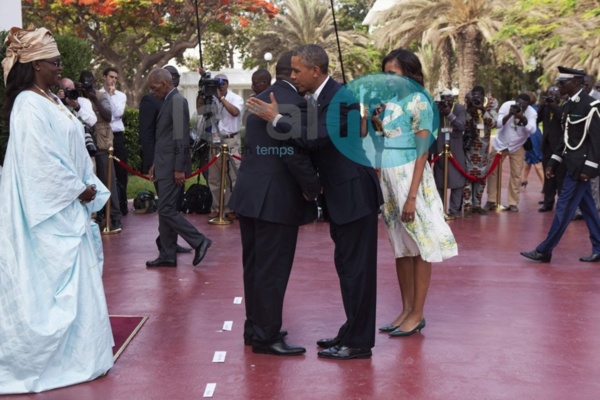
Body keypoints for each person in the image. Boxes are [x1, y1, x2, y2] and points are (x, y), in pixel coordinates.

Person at [0, 26, 114, 394]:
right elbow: (40, 161)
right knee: (49, 288)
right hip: (51, 213)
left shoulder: (47, 99)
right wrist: (78, 188)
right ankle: (54, 361)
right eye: (54, 62)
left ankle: (83, 356)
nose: (58, 68)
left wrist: (88, 185)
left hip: (70, 206)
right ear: (35, 66)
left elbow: (71, 149)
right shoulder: (27, 104)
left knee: (78, 286)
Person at [229, 52, 321, 356]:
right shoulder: (295, 104)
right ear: (292, 74)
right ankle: (267, 337)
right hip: (276, 199)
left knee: (254, 267)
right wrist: (314, 189)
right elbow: (296, 154)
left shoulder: (259, 99)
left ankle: (254, 328)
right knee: (273, 270)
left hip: (249, 195)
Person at [370, 48, 457, 339]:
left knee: (419, 247)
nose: (387, 78)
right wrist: (377, 123)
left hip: (412, 178)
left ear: (408, 72)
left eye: (391, 73)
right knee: (401, 247)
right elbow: (389, 138)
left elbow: (422, 152)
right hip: (391, 178)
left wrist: (411, 196)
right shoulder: (392, 102)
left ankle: (417, 313)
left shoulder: (420, 100)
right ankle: (405, 310)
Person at [521, 67, 600, 263]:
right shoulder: (568, 105)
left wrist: (589, 169)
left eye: (562, 83)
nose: (558, 86)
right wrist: (553, 162)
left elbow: (597, 141)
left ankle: (545, 250)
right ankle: (599, 246)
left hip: (580, 168)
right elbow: (565, 139)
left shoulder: (591, 105)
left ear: (575, 83)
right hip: (570, 164)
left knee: (563, 208)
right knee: (589, 208)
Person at [145, 68, 212, 268]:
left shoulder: (176, 101)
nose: (152, 92)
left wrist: (180, 169)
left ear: (166, 84)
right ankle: (167, 254)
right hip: (164, 165)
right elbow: (165, 137)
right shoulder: (167, 101)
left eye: (155, 88)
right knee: (167, 210)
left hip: (173, 167)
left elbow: (181, 137)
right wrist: (156, 164)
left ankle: (199, 241)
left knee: (165, 209)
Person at [79, 70, 123, 230]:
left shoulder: (100, 95)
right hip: (83, 146)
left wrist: (93, 99)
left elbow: (108, 115)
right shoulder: (76, 97)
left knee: (108, 182)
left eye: (90, 81)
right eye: (84, 82)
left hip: (102, 144)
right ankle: (97, 217)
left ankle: (116, 219)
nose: (87, 84)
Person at [484, 93, 537, 212]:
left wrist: (522, 117)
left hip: (517, 146)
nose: (520, 106)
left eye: (524, 105)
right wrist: (510, 114)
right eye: (519, 103)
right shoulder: (507, 105)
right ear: (515, 100)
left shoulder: (532, 112)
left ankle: (513, 202)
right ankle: (491, 200)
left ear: (528, 105)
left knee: (516, 175)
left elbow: (532, 130)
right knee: (492, 171)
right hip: (500, 144)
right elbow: (497, 124)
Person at [202, 71, 244, 219]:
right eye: (217, 83)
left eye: (223, 83)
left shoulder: (235, 98)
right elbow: (199, 108)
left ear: (227, 84)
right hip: (215, 140)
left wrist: (221, 98)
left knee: (233, 177)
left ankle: (230, 208)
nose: (221, 86)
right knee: (214, 176)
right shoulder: (210, 99)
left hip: (231, 140)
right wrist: (203, 88)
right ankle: (216, 207)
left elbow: (234, 112)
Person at [463, 85, 497, 217]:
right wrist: (471, 108)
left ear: (483, 96)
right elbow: (465, 123)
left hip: (483, 149)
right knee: (468, 177)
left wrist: (482, 109)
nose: (477, 97)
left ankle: (477, 205)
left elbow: (494, 123)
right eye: (474, 95)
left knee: (481, 178)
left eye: (479, 95)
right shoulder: (468, 104)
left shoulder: (490, 105)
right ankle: (468, 206)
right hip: (470, 147)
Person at [432, 89, 466, 219]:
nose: (446, 101)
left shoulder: (459, 109)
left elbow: (461, 125)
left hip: (456, 149)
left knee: (457, 180)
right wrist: (435, 110)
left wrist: (449, 114)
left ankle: (454, 210)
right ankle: (440, 210)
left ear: (453, 98)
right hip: (440, 148)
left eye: (449, 98)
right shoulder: (438, 109)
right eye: (444, 99)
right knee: (439, 180)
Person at [99, 67, 129, 215]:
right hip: (103, 135)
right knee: (104, 172)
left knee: (121, 171)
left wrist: (110, 96)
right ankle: (105, 208)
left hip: (117, 136)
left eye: (116, 78)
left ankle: (122, 206)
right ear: (104, 77)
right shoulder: (97, 94)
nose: (113, 80)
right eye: (111, 77)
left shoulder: (121, 96)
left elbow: (116, 114)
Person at [538, 86, 566, 212]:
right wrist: (542, 106)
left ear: (560, 95)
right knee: (548, 175)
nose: (552, 97)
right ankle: (548, 202)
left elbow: (564, 119)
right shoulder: (546, 107)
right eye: (550, 94)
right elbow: (537, 120)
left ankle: (562, 203)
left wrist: (555, 108)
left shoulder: (564, 106)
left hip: (560, 147)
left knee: (560, 175)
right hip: (547, 146)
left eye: (555, 94)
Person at [521, 91, 544, 190]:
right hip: (536, 134)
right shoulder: (537, 108)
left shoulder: (527, 110)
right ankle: (523, 180)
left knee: (537, 161)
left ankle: (545, 185)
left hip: (531, 136)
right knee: (528, 160)